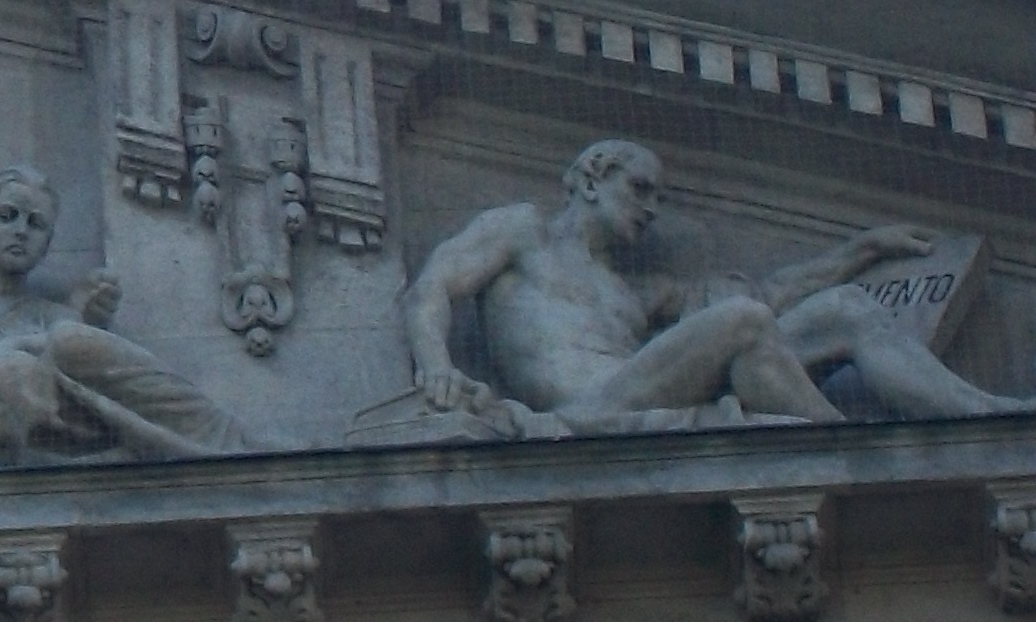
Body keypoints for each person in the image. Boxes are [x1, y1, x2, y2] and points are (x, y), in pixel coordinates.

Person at [399, 138, 1034, 434]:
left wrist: (862, 250)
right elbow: (431, 288)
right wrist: (436, 367)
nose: (650, 210)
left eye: (657, 198)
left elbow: (769, 294)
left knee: (842, 308)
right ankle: (849, 447)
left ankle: (985, 415)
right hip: (586, 411)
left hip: (639, 392)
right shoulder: (521, 231)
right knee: (742, 322)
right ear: (591, 177)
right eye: (639, 189)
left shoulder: (635, 294)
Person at [0, 168, 249, 465]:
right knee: (21, 362)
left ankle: (217, 433)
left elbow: (80, 386)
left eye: (36, 224)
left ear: (47, 243)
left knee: (68, 338)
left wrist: (79, 315)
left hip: (53, 435)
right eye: (6, 216)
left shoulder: (50, 312)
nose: (21, 231)